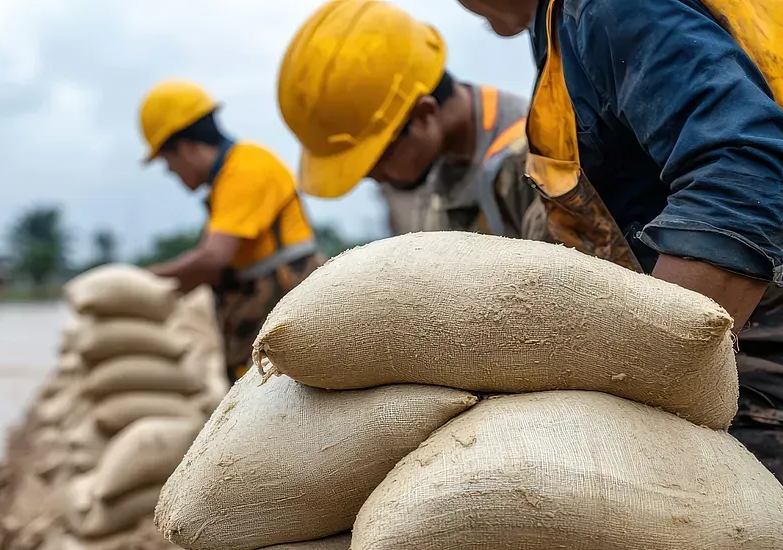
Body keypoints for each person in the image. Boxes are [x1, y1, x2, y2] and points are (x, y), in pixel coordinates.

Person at [454, 0, 783, 550]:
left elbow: (744, 164)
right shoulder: (568, 26)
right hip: (762, 330)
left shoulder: (609, 7)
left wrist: (647, 393)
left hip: (779, 348)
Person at [277, 0, 544, 239]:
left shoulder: (534, 162)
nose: (377, 178)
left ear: (424, 115)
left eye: (376, 160)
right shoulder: (438, 169)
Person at [138, 80, 325, 383]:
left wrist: (145, 280)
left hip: (285, 307)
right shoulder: (228, 180)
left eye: (167, 160)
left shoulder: (246, 169)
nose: (169, 171)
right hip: (264, 310)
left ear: (185, 147)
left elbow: (213, 258)